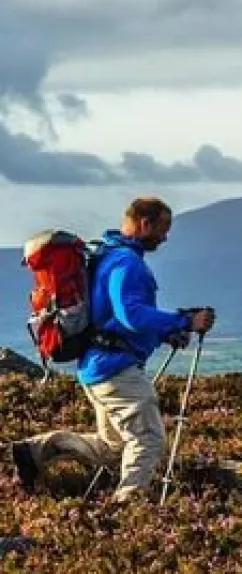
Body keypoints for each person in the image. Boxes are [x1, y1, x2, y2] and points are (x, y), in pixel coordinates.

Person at [10, 198, 217, 503]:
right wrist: (186, 320)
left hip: (97, 368)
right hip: (117, 370)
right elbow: (130, 315)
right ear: (144, 223)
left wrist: (166, 332)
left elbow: (107, 317)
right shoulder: (127, 262)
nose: (165, 237)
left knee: (114, 447)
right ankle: (127, 507)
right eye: (162, 228)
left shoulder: (105, 255)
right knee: (148, 439)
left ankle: (35, 451)